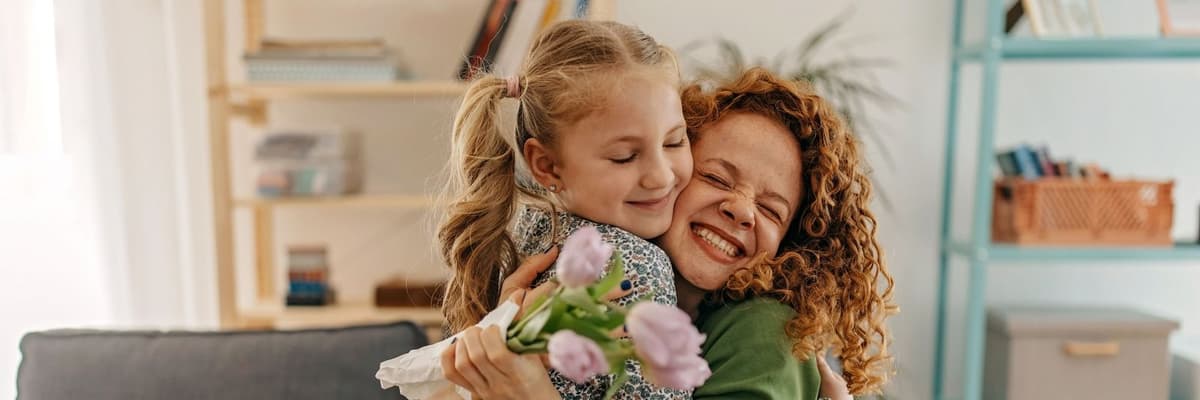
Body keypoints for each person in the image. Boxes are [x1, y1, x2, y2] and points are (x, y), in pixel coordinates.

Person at [443, 67, 896, 399]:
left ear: (791, 245)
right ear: (670, 171)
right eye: (717, 178)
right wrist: (500, 337)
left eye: (771, 210)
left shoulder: (765, 331)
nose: (740, 210)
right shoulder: (586, 274)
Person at [436, 19, 693, 399]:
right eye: (624, 157)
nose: (659, 176)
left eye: (675, 142)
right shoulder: (634, 266)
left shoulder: (526, 228)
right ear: (547, 165)